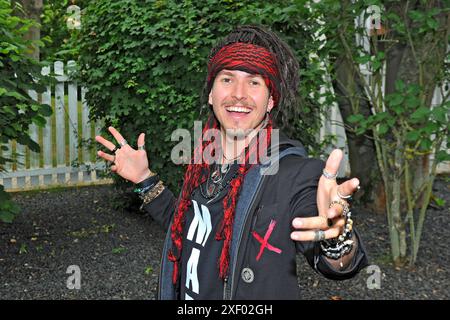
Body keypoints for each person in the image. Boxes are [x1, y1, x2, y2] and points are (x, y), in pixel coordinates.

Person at [95, 25, 368, 300]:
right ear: (212, 94)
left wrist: (336, 238)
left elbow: (339, 265)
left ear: (271, 99)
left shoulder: (293, 173)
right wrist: (145, 179)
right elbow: (187, 227)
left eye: (254, 82)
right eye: (227, 79)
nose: (239, 93)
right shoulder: (205, 159)